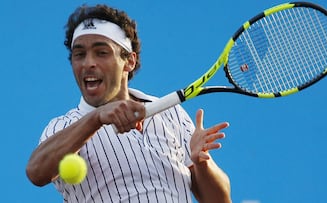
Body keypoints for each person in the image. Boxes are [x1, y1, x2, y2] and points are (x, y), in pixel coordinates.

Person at [26, 4, 231, 203]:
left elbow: (219, 200)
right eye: (79, 55)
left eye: (101, 52)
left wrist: (201, 163)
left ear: (129, 61)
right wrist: (96, 118)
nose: (88, 63)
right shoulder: (64, 127)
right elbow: (36, 172)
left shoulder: (170, 112)